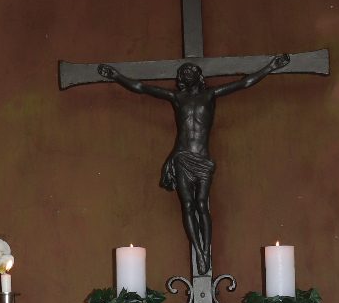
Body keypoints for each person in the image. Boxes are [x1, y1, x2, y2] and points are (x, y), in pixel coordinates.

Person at [97, 54, 290, 274]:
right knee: (188, 205)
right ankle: (199, 250)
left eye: (190, 71)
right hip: (182, 157)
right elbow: (142, 87)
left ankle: (206, 250)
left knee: (202, 204)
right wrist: (117, 76)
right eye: (182, 72)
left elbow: (244, 83)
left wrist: (270, 67)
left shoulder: (210, 95)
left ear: (199, 75)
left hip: (203, 159)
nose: (185, 73)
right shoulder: (177, 97)